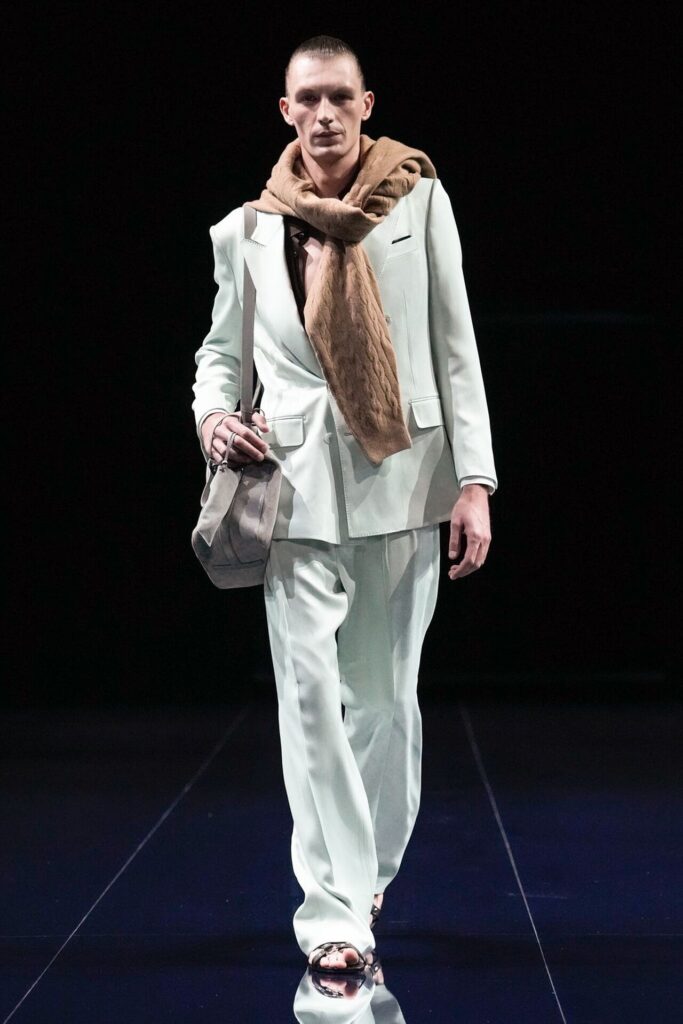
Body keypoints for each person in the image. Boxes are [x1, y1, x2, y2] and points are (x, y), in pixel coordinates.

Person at [192, 35, 497, 975]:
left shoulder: (418, 200)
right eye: (307, 99)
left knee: (386, 705)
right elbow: (220, 353)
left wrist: (476, 481)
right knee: (309, 702)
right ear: (285, 112)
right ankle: (332, 914)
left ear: (366, 106)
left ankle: (368, 871)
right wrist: (213, 417)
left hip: (404, 479)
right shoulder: (246, 231)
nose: (323, 114)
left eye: (339, 97)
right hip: (292, 491)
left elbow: (454, 343)